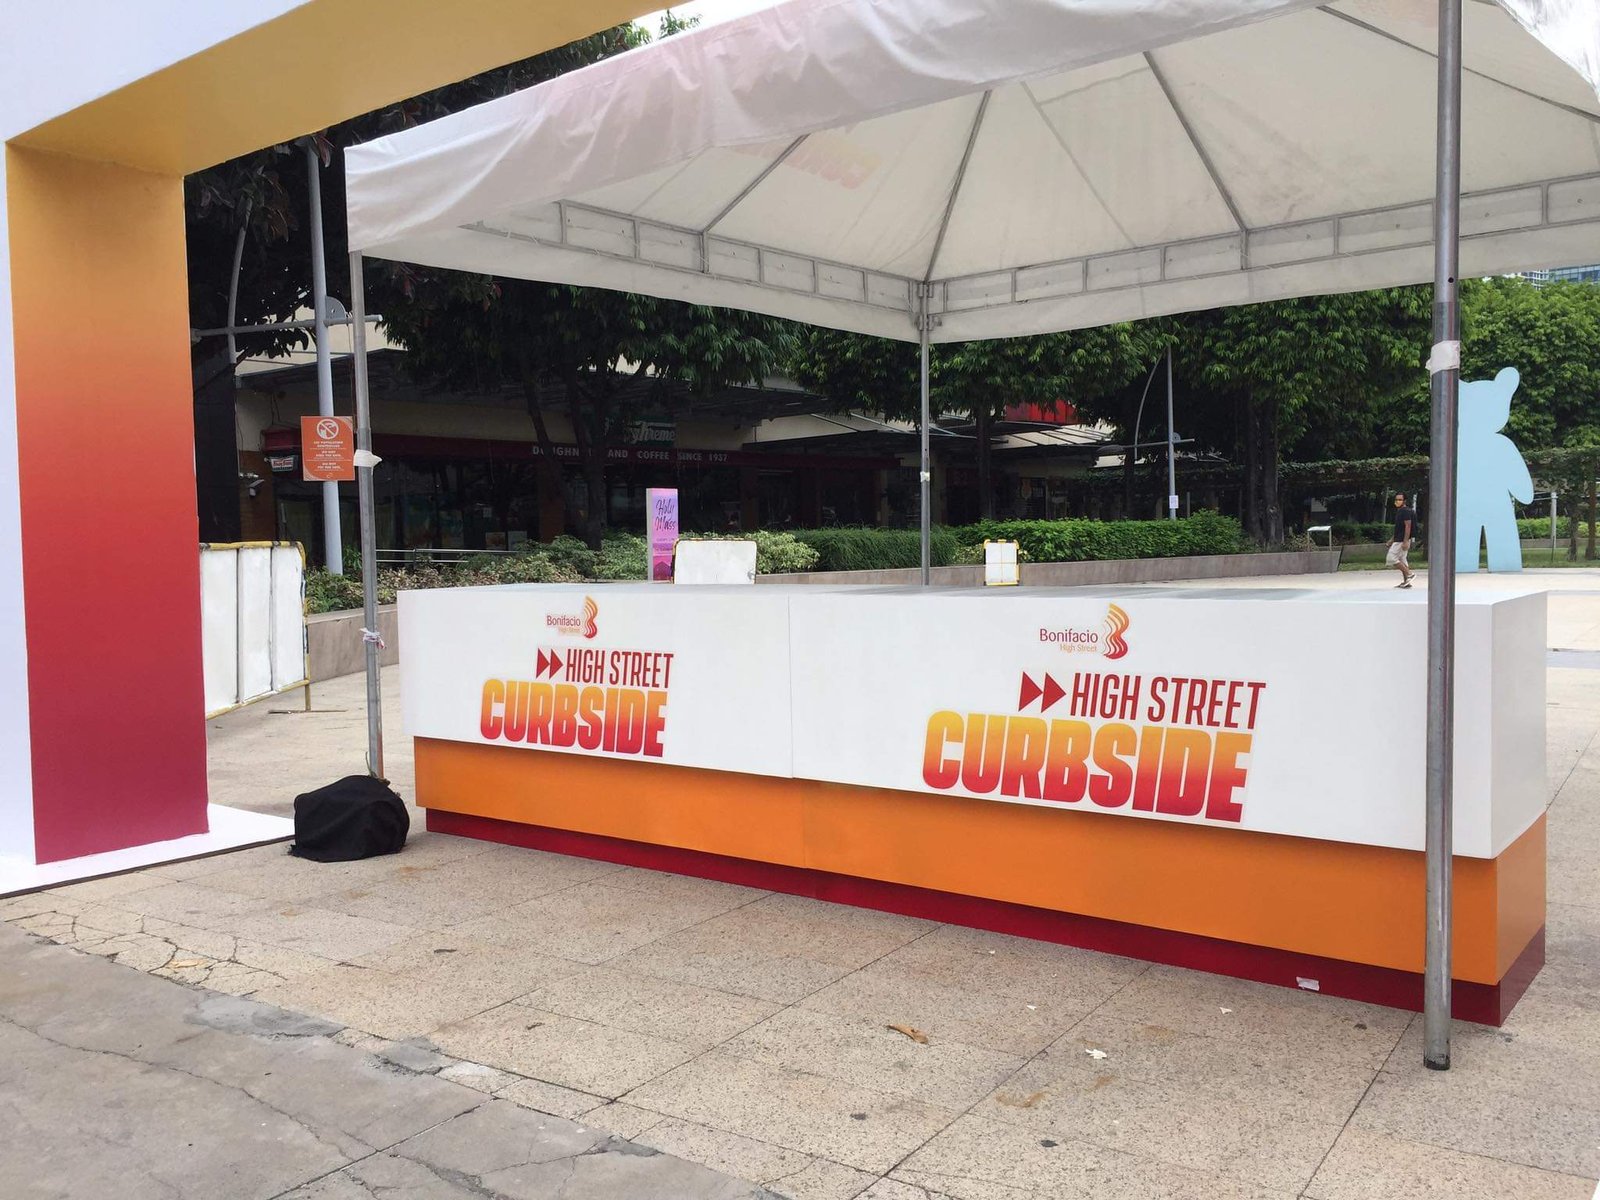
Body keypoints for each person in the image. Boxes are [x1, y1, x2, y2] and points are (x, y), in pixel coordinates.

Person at [1387, 492, 1416, 588]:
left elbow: (1408, 526)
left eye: (1400, 500)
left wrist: (1405, 541)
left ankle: (1409, 574)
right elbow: (1399, 528)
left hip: (1402, 540)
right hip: (1399, 539)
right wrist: (1392, 540)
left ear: (1405, 501)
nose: (1397, 501)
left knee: (1391, 558)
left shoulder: (1405, 511)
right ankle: (1406, 582)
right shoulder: (1401, 511)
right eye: (1396, 499)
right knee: (1402, 559)